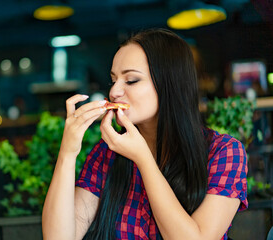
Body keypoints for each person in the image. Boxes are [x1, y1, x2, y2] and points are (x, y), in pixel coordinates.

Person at [42, 28, 248, 240]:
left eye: (131, 80)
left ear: (170, 84)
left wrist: (143, 159)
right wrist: (67, 153)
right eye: (114, 80)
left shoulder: (224, 152)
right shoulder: (107, 153)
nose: (114, 92)